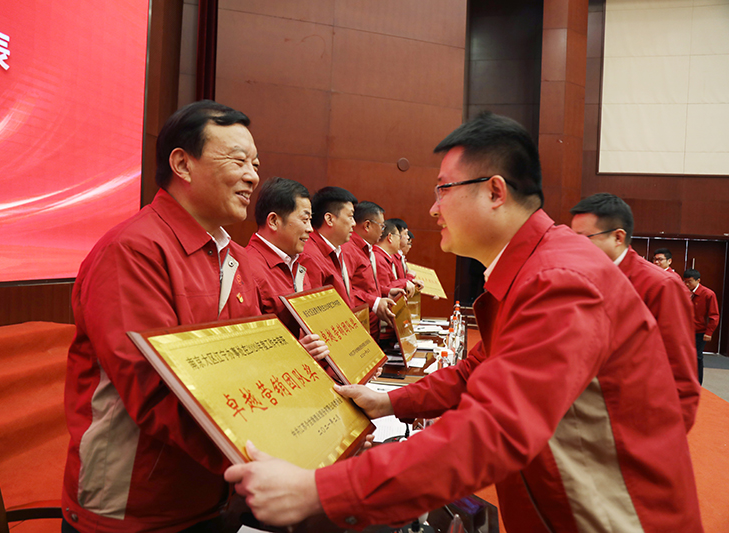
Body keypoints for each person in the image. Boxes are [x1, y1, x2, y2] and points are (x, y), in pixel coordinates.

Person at [224, 112, 702, 532]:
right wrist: (389, 400)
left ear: (494, 191)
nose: (433, 208)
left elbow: (493, 428)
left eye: (443, 189)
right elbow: (478, 370)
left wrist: (319, 490)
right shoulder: (534, 268)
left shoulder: (558, 279)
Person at [61, 100, 264, 533]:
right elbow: (153, 389)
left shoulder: (235, 257)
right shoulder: (133, 250)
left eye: (255, 164)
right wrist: (265, 454)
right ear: (182, 164)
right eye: (238, 160)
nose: (252, 176)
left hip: (209, 491)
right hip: (136, 500)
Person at [570, 193, 699, 431]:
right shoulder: (580, 278)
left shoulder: (659, 286)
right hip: (589, 419)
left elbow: (680, 374)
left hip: (636, 422)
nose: (574, 247)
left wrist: (669, 436)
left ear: (618, 237)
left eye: (583, 238)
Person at [244, 177, 329, 361]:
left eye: (310, 220)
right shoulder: (248, 269)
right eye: (305, 219)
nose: (310, 229)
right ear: (274, 221)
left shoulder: (298, 262)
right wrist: (297, 353)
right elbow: (250, 348)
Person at [343, 201, 401, 340]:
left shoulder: (367, 249)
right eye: (381, 226)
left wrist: (386, 292)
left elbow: (366, 287)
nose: (382, 231)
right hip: (358, 331)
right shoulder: (348, 250)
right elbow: (345, 292)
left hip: (371, 328)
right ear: (367, 225)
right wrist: (375, 302)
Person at [301, 186, 358, 307]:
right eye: (350, 216)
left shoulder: (338, 249)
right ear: (329, 219)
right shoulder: (310, 256)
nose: (354, 223)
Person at [683, 269, 720, 385]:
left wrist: (709, 332)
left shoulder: (708, 294)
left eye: (690, 282)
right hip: (685, 330)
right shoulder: (684, 292)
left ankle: (697, 383)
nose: (687, 284)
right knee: (684, 356)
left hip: (699, 331)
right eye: (685, 282)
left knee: (697, 357)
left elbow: (714, 315)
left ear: (698, 280)